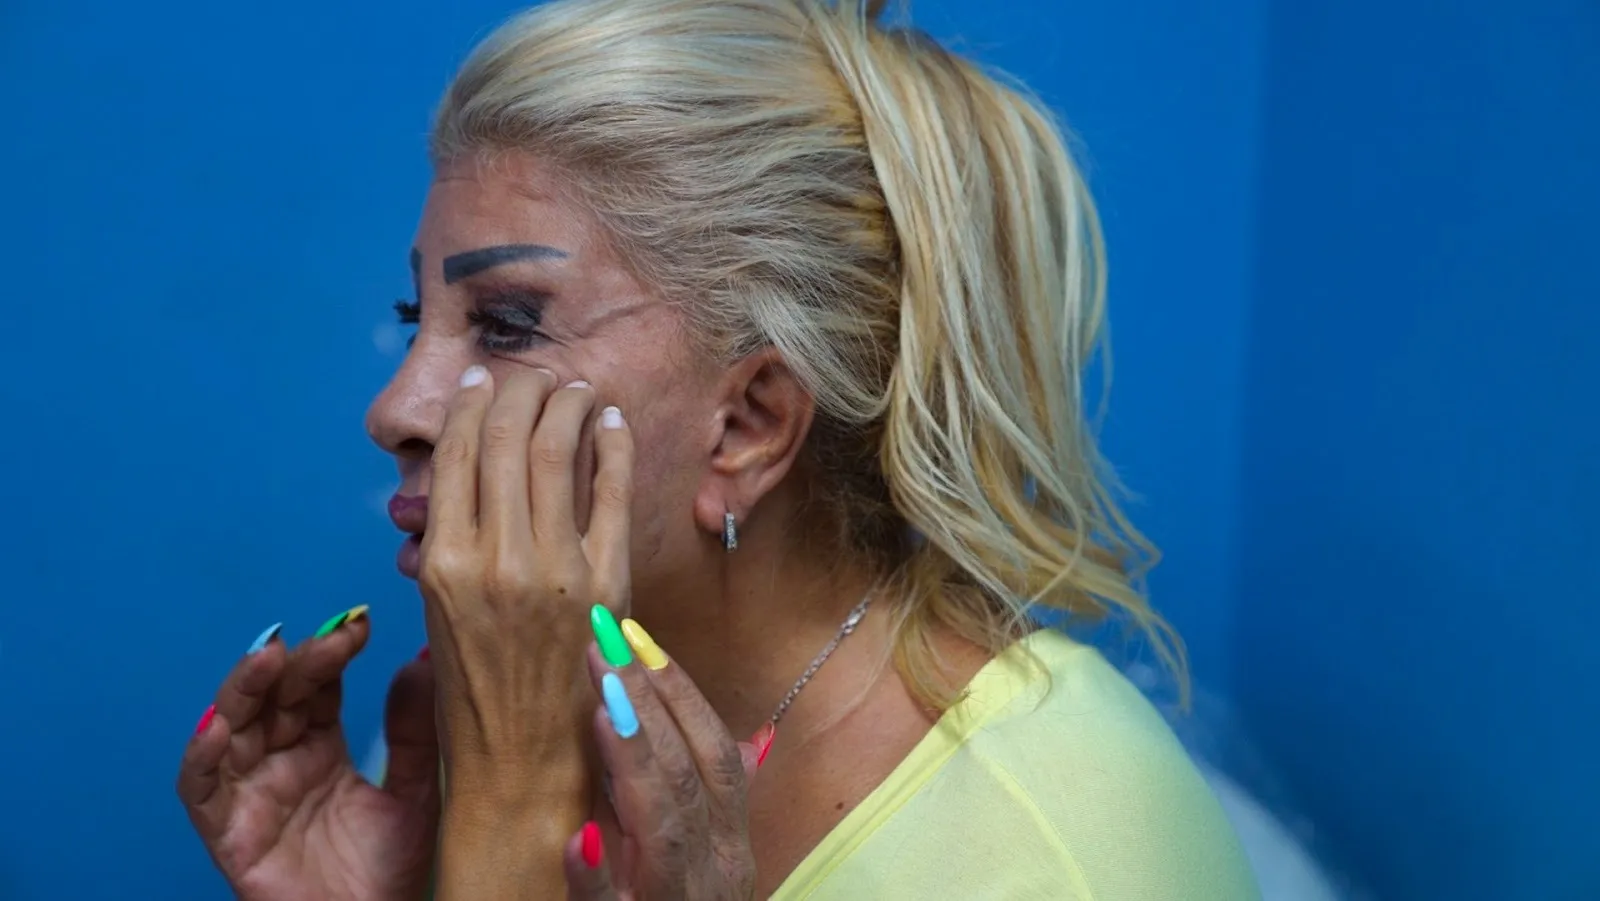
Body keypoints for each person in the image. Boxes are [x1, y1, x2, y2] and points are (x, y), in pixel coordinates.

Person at [176, 0, 1260, 897]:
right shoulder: (510, 701)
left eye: (505, 325)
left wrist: (511, 831)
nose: (394, 405)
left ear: (748, 423)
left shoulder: (1062, 845)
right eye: (420, 320)